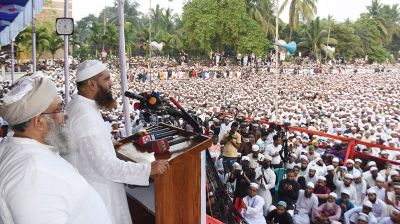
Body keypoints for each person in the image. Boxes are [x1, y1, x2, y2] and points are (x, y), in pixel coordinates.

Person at [64, 60, 169, 224]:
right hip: (98, 197)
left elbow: (83, 144)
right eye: (106, 79)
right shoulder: (84, 116)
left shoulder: (81, 106)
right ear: (92, 84)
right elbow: (108, 167)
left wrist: (105, 143)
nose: (111, 83)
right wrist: (147, 169)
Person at [0, 75, 112, 223]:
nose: (64, 115)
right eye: (58, 109)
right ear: (39, 122)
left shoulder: (17, 146)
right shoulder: (33, 176)